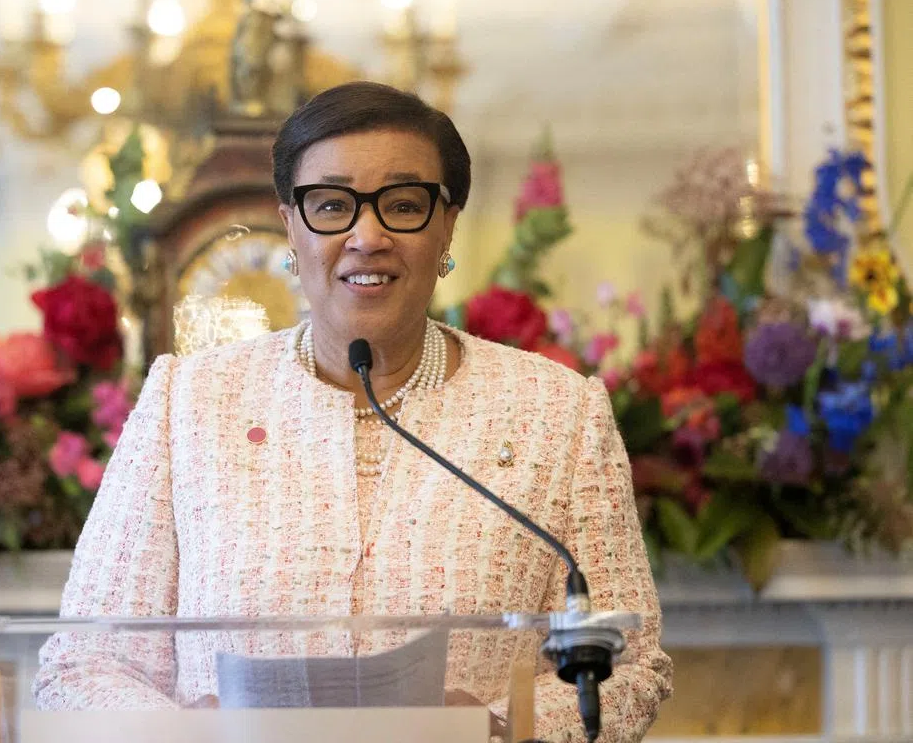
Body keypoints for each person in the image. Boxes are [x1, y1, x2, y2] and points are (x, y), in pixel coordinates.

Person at [33, 80, 673, 741]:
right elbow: (83, 664)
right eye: (332, 205)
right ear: (290, 224)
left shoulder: (558, 413)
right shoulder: (187, 403)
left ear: (447, 224)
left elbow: (629, 664)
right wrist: (183, 734)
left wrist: (497, 730)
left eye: (402, 204)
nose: (367, 236)